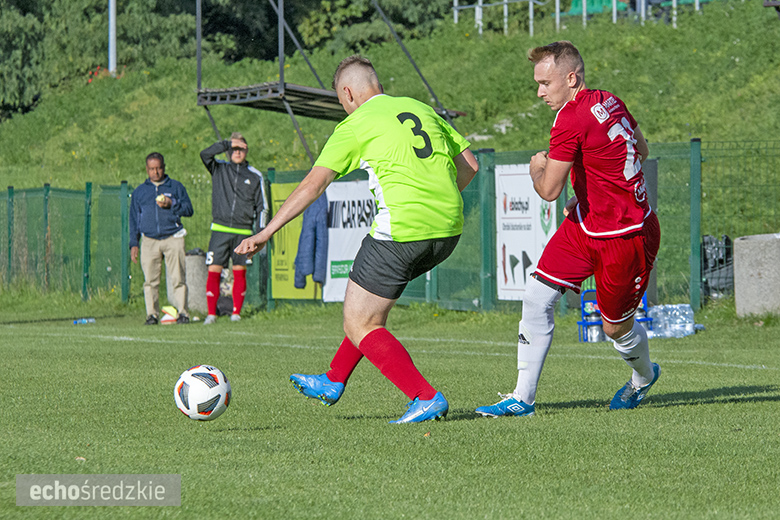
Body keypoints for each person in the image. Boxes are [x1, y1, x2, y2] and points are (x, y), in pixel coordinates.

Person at [235, 55, 479, 424]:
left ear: (347, 93)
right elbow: (471, 165)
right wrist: (440, 201)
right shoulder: (420, 108)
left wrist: (267, 231)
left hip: (402, 231)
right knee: (367, 313)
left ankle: (425, 397)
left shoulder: (356, 124)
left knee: (360, 322)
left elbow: (313, 184)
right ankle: (333, 379)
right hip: (448, 230)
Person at [476, 41, 661, 417]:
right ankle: (522, 398)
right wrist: (591, 188)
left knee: (614, 329)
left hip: (625, 237)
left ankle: (643, 377)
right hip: (585, 226)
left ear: (571, 78)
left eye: (545, 83)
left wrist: (536, 165)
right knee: (536, 297)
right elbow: (640, 149)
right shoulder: (609, 99)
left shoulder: (569, 119)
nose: (540, 92)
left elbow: (547, 190)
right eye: (538, 83)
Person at [200, 132, 269, 324]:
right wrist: (225, 143)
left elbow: (262, 206)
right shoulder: (219, 169)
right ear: (229, 150)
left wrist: (260, 233)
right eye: (234, 148)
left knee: (239, 270)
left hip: (243, 232)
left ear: (247, 150)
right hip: (220, 230)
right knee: (214, 269)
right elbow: (204, 154)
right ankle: (211, 314)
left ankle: (236, 313)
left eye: (241, 148)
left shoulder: (255, 176)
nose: (237, 152)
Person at [129, 152, 194, 325]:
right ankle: (152, 314)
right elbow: (134, 219)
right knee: (150, 281)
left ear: (164, 167)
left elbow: (189, 209)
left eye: (158, 168)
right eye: (152, 169)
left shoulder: (176, 187)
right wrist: (133, 243)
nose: (155, 172)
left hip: (173, 237)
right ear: (147, 169)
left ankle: (183, 313)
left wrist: (172, 204)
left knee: (178, 277)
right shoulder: (140, 192)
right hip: (149, 240)